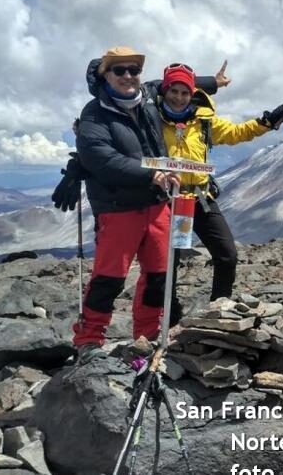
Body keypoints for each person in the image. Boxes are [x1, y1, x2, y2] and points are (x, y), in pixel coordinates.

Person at [71, 46, 182, 363]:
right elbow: (102, 159)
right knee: (109, 277)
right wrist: (151, 174)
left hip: (157, 204)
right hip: (119, 208)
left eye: (134, 70)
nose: (128, 76)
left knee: (159, 275)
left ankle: (146, 339)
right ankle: (89, 339)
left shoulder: (145, 99)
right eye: (119, 70)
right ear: (105, 74)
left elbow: (173, 83)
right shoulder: (94, 114)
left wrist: (211, 82)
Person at [152, 62, 283, 300]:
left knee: (227, 255)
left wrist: (267, 122)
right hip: (167, 202)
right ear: (164, 91)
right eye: (173, 91)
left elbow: (236, 132)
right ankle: (170, 318)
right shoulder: (152, 120)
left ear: (193, 93)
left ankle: (219, 310)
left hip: (198, 199)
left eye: (185, 92)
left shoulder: (204, 121)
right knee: (168, 264)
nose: (179, 98)